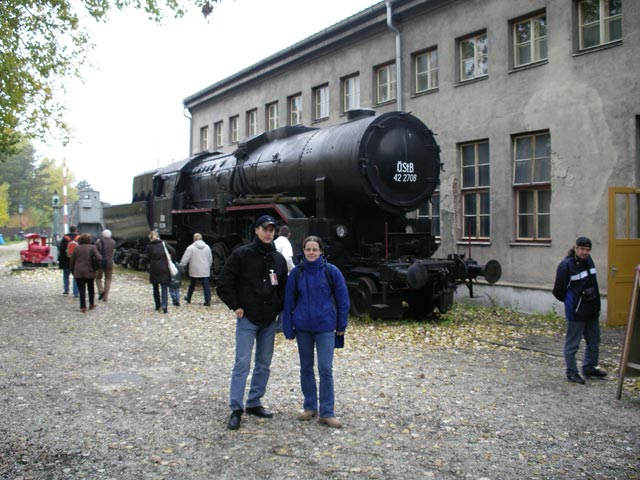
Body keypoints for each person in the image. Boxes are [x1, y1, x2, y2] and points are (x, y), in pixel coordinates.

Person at [216, 215, 288, 430]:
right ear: (256, 230)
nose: (268, 233)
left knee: (264, 364)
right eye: (265, 229)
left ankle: (255, 401)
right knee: (242, 364)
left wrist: (279, 308)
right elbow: (224, 282)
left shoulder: (278, 259)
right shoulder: (242, 254)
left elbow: (283, 287)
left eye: (272, 229)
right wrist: (236, 306)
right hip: (247, 317)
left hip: (268, 320)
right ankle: (236, 407)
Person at [283, 235, 350, 428]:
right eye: (308, 249)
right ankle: (310, 406)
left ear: (321, 251)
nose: (311, 252)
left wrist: (341, 326)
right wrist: (288, 326)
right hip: (303, 326)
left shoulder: (331, 272)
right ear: (303, 251)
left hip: (325, 327)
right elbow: (288, 301)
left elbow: (343, 300)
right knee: (306, 367)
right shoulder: (297, 273)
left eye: (315, 249)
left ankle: (327, 412)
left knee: (325, 369)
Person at [553, 236, 607, 384]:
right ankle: (572, 372)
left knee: (594, 341)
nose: (585, 252)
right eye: (582, 249)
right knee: (573, 344)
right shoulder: (566, 265)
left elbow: (593, 284)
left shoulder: (589, 261)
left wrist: (596, 305)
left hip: (591, 309)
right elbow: (558, 291)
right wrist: (572, 301)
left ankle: (589, 368)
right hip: (576, 311)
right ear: (576, 248)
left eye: (588, 250)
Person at [70, 233, 101, 313]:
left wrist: (73, 271)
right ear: (89, 240)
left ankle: (83, 306)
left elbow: (72, 261)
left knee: (81, 290)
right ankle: (91, 304)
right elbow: (99, 257)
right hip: (90, 271)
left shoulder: (77, 248)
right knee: (91, 288)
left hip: (78, 271)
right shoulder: (92, 247)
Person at [146, 230, 175, 314]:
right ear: (158, 236)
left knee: (155, 288)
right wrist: (168, 258)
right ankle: (165, 306)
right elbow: (173, 251)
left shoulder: (149, 246)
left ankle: (157, 305)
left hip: (154, 268)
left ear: (150, 238)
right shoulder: (164, 244)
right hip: (164, 268)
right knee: (164, 287)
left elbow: (147, 257)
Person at [179, 233, 213, 306]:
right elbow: (210, 259)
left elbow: (185, 258)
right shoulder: (207, 247)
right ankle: (208, 300)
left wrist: (181, 266)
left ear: (194, 239)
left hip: (194, 269)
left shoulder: (190, 248)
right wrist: (208, 266)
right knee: (206, 284)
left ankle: (188, 297)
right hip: (205, 269)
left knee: (192, 284)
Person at [274, 225, 294, 332]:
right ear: (289, 234)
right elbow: (287, 258)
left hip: (273, 274)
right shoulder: (286, 243)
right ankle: (280, 325)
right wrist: (293, 269)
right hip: (283, 275)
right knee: (285, 298)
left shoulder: (275, 242)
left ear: (279, 233)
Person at [58, 225, 79, 297]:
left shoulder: (65, 238)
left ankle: (66, 290)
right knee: (75, 276)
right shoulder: (79, 238)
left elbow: (61, 249)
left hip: (66, 260)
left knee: (66, 275)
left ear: (69, 230)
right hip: (76, 261)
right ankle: (75, 292)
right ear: (76, 230)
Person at [95, 229, 116, 302]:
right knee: (108, 279)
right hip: (109, 263)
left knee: (98, 277)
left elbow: (95, 252)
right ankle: (105, 296)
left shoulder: (98, 242)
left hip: (100, 263)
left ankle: (101, 291)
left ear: (103, 234)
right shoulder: (113, 242)